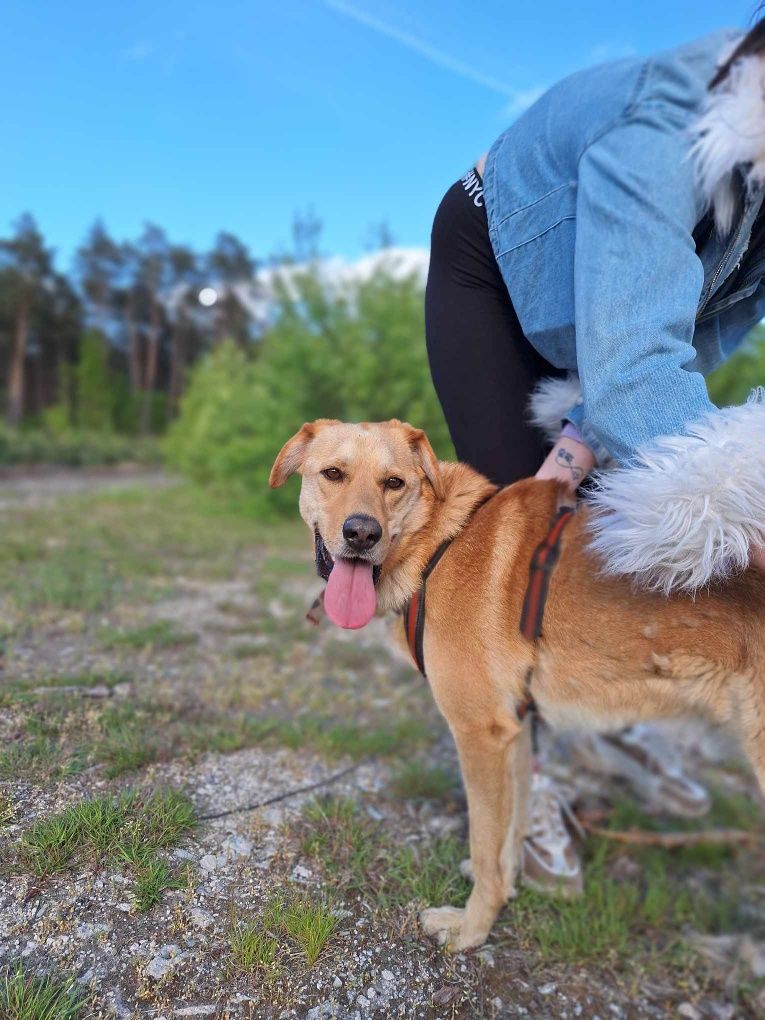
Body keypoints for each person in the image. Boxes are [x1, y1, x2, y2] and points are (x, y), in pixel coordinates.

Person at [425, 21, 765, 895]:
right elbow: (633, 374)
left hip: (608, 314)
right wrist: (742, 518)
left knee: (607, 531)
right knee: (513, 549)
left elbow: (693, 327)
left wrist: (578, 444)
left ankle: (606, 725)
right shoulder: (659, 124)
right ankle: (522, 783)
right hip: (495, 270)